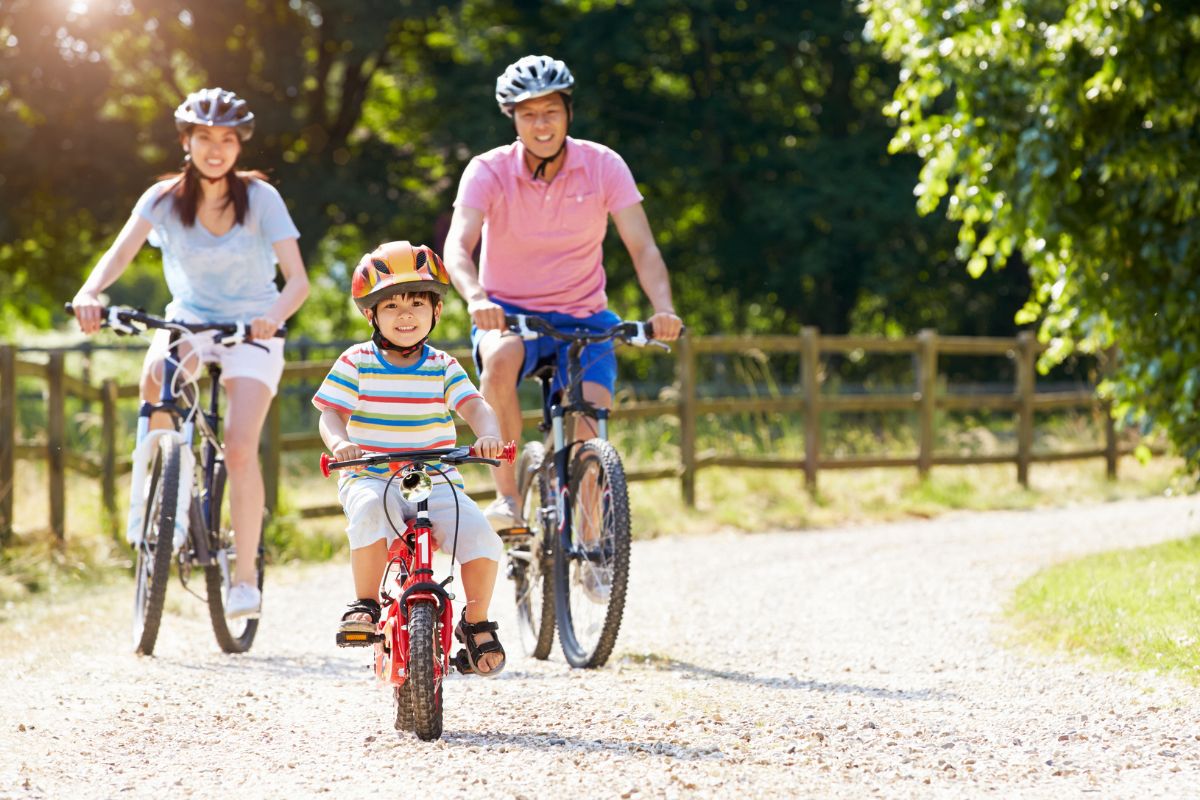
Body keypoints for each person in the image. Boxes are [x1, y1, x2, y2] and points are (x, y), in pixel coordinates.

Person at [71, 87, 310, 619]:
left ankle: (244, 577)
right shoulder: (162, 199)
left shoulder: (261, 199)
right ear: (187, 141)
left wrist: (274, 316)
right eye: (205, 138)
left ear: (239, 145)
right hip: (190, 320)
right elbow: (118, 255)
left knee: (240, 447)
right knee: (157, 371)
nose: (216, 149)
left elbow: (298, 281)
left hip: (253, 326)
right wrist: (92, 292)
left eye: (227, 139)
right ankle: (161, 505)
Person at [443, 54, 684, 531]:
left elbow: (643, 247)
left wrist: (664, 309)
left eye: (551, 111)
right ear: (512, 117)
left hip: (586, 316)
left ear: (568, 112)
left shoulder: (603, 166)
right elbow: (457, 245)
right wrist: (475, 297)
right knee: (500, 359)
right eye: (529, 113)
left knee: (591, 417)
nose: (541, 123)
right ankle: (508, 497)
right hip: (508, 314)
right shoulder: (487, 171)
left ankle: (592, 537)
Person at [313, 241, 507, 676]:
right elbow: (330, 413)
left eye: (418, 303)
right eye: (392, 305)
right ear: (371, 315)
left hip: (435, 475)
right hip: (372, 473)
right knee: (366, 512)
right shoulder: (356, 361)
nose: (406, 314)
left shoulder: (442, 365)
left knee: (481, 536)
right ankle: (364, 602)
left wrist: (489, 435)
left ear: (436, 311)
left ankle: (476, 622)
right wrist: (341, 444)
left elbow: (474, 406)